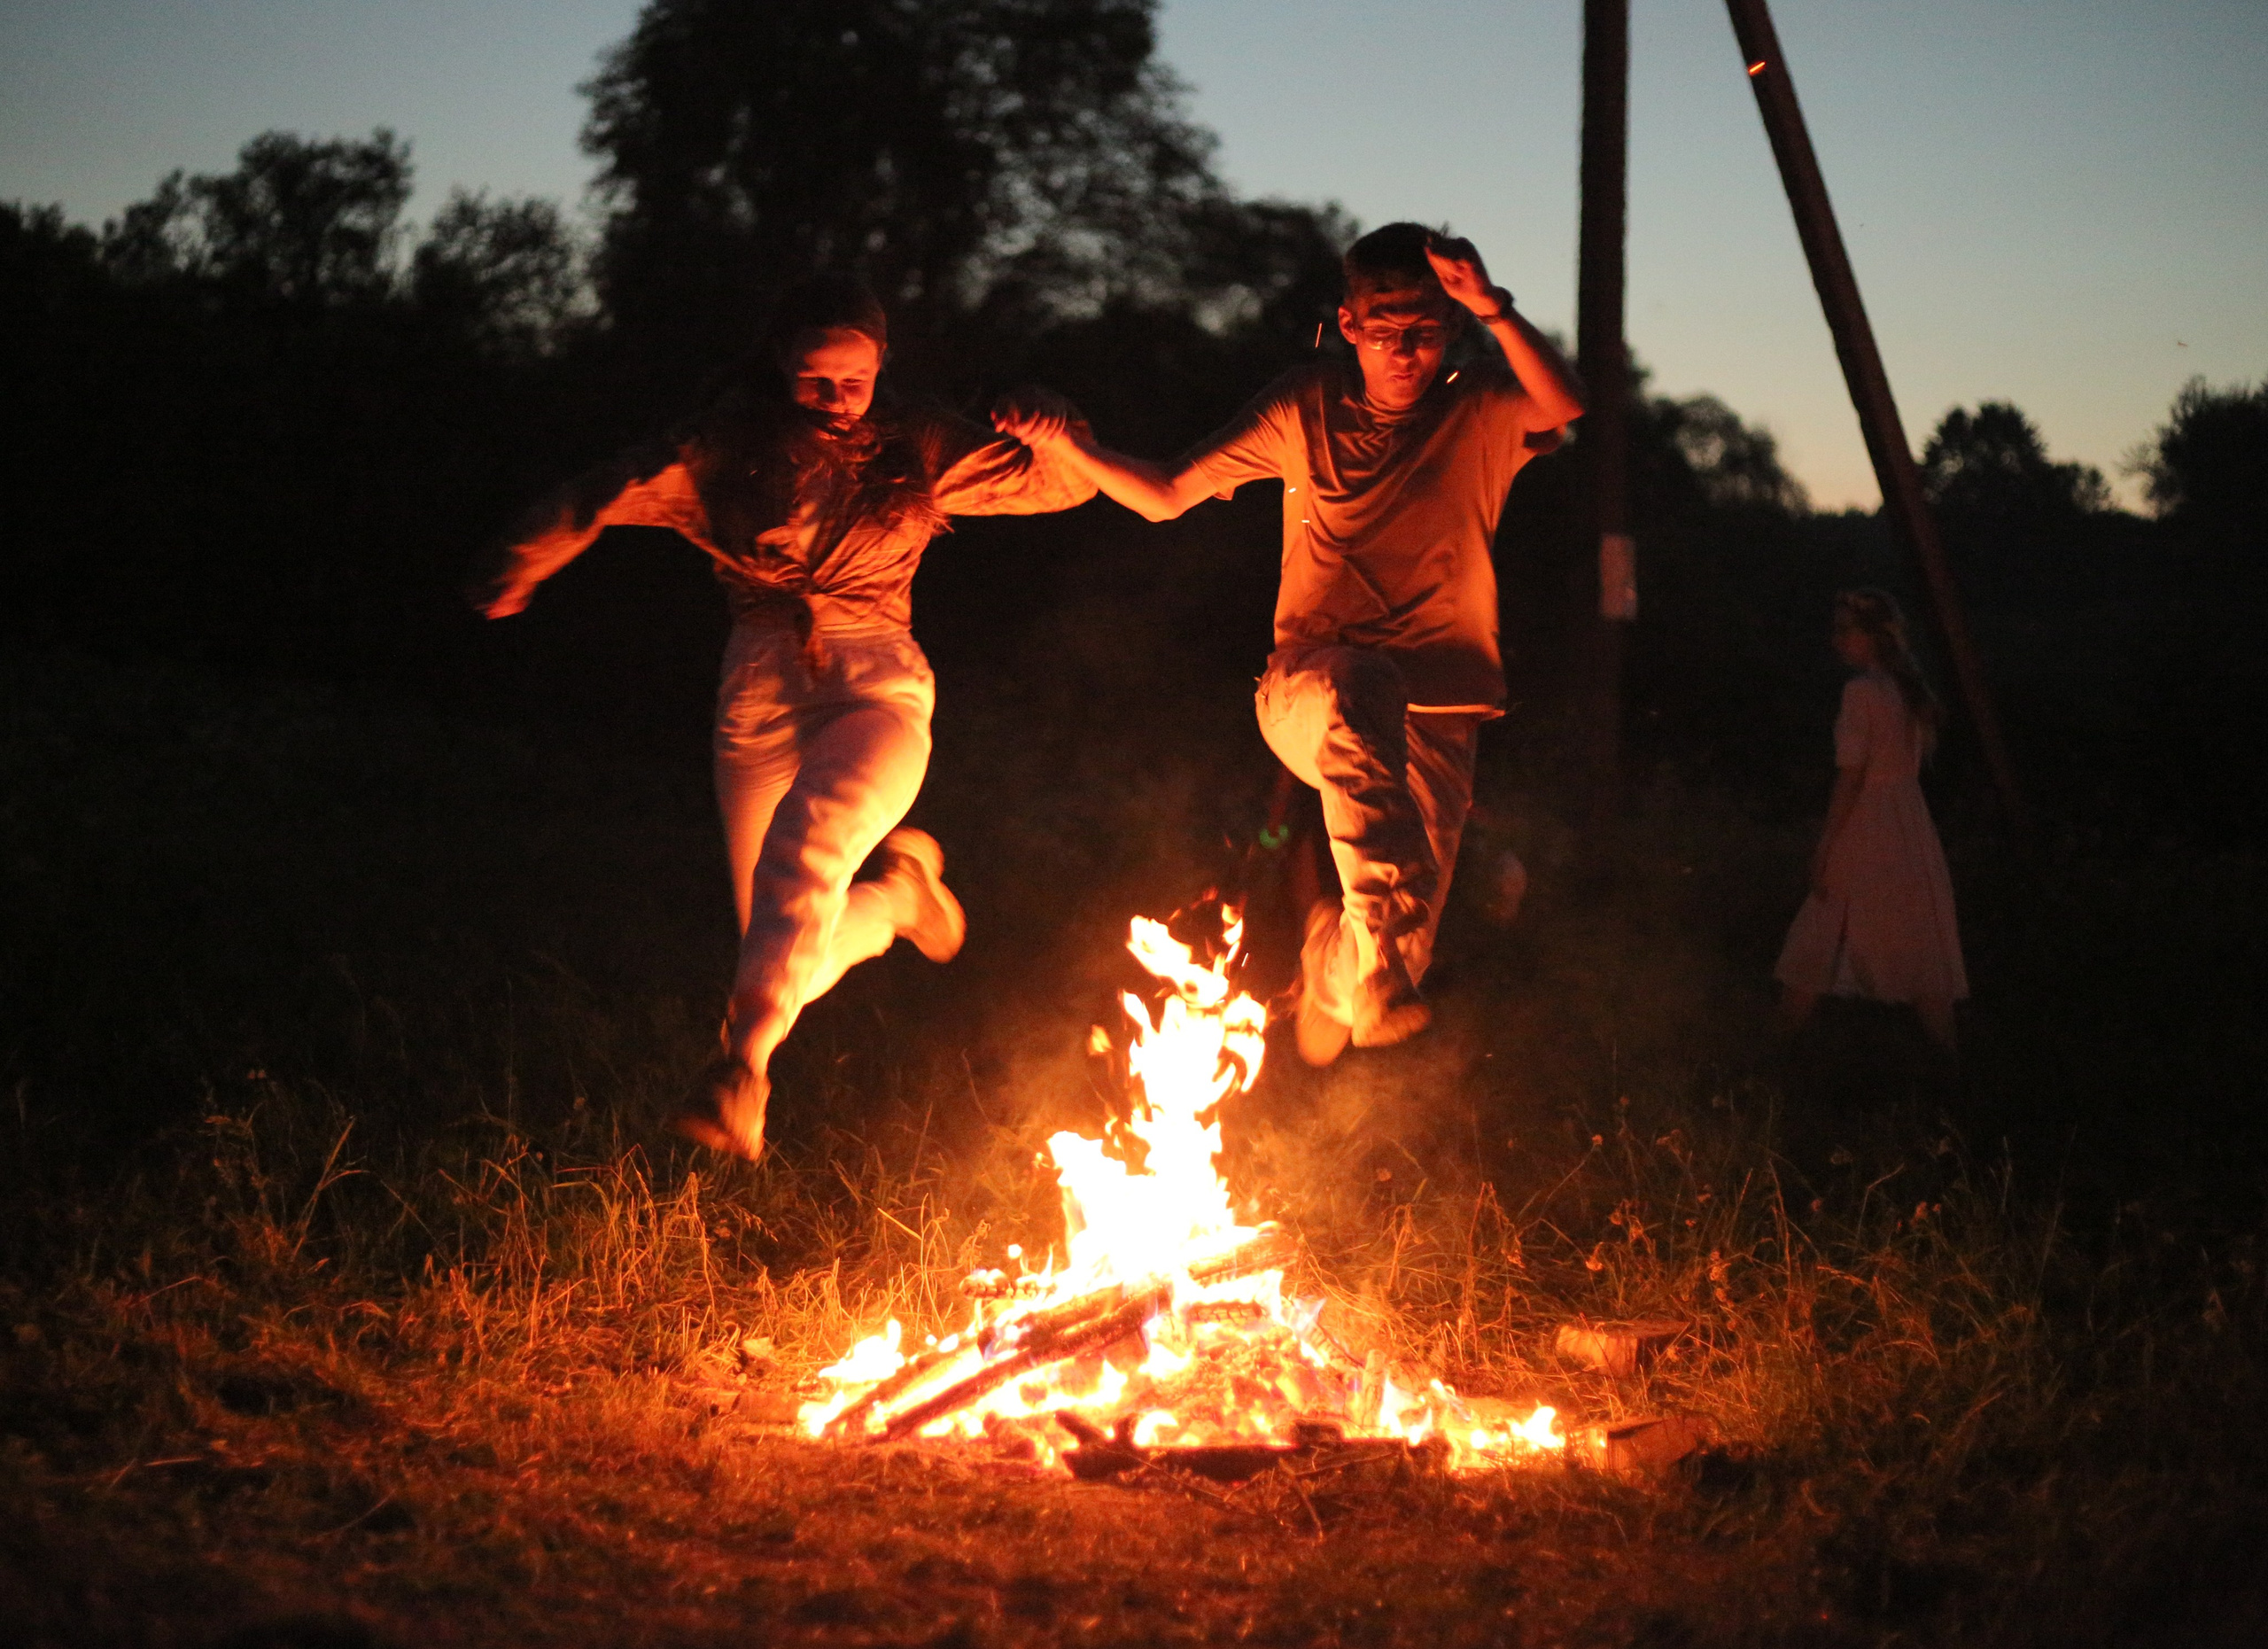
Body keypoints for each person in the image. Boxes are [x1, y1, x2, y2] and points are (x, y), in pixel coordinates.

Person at [478, 275, 1094, 1158]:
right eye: (815, 380)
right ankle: (892, 899)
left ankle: (741, 1075)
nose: (837, 399)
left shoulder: (912, 437)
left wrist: (1051, 414)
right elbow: (603, 489)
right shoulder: (724, 445)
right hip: (761, 684)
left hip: (876, 680)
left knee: (806, 852)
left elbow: (1060, 483)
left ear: (882, 365)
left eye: (855, 378)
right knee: (780, 934)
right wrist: (522, 560)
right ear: (780, 367)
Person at [998, 223, 1583, 1064]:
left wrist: (1493, 307)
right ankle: (1374, 967)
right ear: (1347, 326)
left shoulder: (1480, 407)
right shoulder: (1304, 404)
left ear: (1450, 327)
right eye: (1384, 333)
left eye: (1424, 331)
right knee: (1360, 688)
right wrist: (1067, 445)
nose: (1406, 352)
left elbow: (1567, 405)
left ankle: (1333, 961)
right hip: (1312, 688)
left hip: (1441, 710)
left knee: (1397, 946)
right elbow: (1165, 494)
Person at [1775, 588, 1969, 1054]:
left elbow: (1853, 776)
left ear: (1873, 636)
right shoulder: (1904, 689)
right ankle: (1950, 1058)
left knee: (1824, 923)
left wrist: (1825, 847)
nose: (1837, 639)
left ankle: (1777, 1052)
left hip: (1872, 819)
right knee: (1910, 929)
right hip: (1907, 822)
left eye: (1847, 630)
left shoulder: (1863, 691)